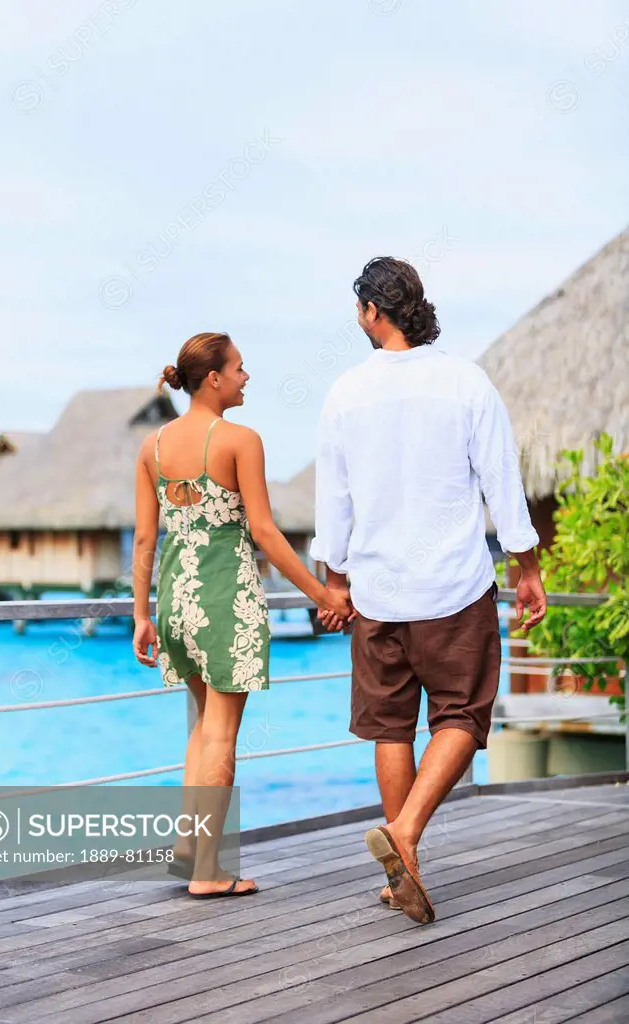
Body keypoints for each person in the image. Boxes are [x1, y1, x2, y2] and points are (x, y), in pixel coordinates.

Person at [311, 257, 547, 924]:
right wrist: (527, 570)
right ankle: (406, 838)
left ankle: (403, 864)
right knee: (461, 716)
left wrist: (335, 581)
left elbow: (335, 500)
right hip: (453, 587)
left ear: (371, 313)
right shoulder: (466, 382)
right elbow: (502, 485)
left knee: (391, 728)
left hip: (378, 591)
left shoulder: (344, 394)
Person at [132, 331, 353, 899]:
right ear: (213, 378)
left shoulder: (152, 448)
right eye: (239, 368)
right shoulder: (240, 441)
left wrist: (141, 616)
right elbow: (264, 533)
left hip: (175, 604)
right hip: (226, 603)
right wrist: (320, 595)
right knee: (223, 736)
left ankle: (188, 849)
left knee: (205, 725)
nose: (246, 377)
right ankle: (208, 870)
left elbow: (143, 540)